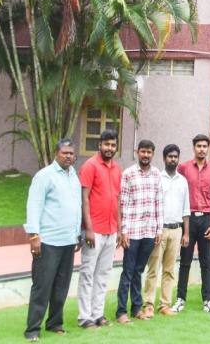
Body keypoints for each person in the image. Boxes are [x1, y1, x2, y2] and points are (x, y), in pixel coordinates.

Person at [24, 139, 81, 342]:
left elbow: (76, 207)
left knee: (61, 286)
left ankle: (55, 323)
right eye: (65, 153)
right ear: (57, 153)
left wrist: (77, 234)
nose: (68, 156)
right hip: (48, 242)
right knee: (42, 286)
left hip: (68, 241)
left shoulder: (73, 176)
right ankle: (32, 329)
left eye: (71, 153)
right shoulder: (44, 176)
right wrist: (34, 236)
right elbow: (34, 206)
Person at [77, 129, 122, 329]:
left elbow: (117, 201)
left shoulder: (117, 169)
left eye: (113, 145)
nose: (110, 148)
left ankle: (98, 314)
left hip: (111, 230)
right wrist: (88, 228)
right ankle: (84, 317)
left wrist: (119, 229)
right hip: (93, 230)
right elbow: (84, 199)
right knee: (87, 274)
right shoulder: (90, 166)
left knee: (103, 274)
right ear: (99, 145)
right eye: (106, 144)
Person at [116, 139, 163, 323]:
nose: (146, 155)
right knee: (128, 272)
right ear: (137, 152)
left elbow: (159, 202)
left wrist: (159, 229)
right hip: (132, 231)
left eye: (149, 152)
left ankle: (136, 308)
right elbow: (123, 204)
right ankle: (121, 312)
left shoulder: (156, 174)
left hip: (149, 231)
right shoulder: (128, 174)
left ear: (153, 154)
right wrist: (124, 231)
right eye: (143, 151)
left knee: (138, 271)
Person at [174, 134, 210, 314]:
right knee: (185, 261)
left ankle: (207, 301)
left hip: (206, 219)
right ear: (194, 147)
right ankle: (180, 300)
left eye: (204, 146)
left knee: (206, 262)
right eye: (199, 146)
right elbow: (177, 193)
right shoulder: (183, 168)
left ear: (208, 148)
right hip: (189, 219)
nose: (202, 149)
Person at [142, 144, 190, 317]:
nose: (173, 159)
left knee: (169, 270)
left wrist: (186, 233)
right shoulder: (157, 178)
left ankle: (164, 305)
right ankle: (148, 304)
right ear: (164, 159)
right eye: (170, 156)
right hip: (160, 230)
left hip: (176, 230)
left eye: (175, 157)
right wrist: (155, 229)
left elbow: (186, 209)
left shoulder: (183, 181)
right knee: (153, 269)